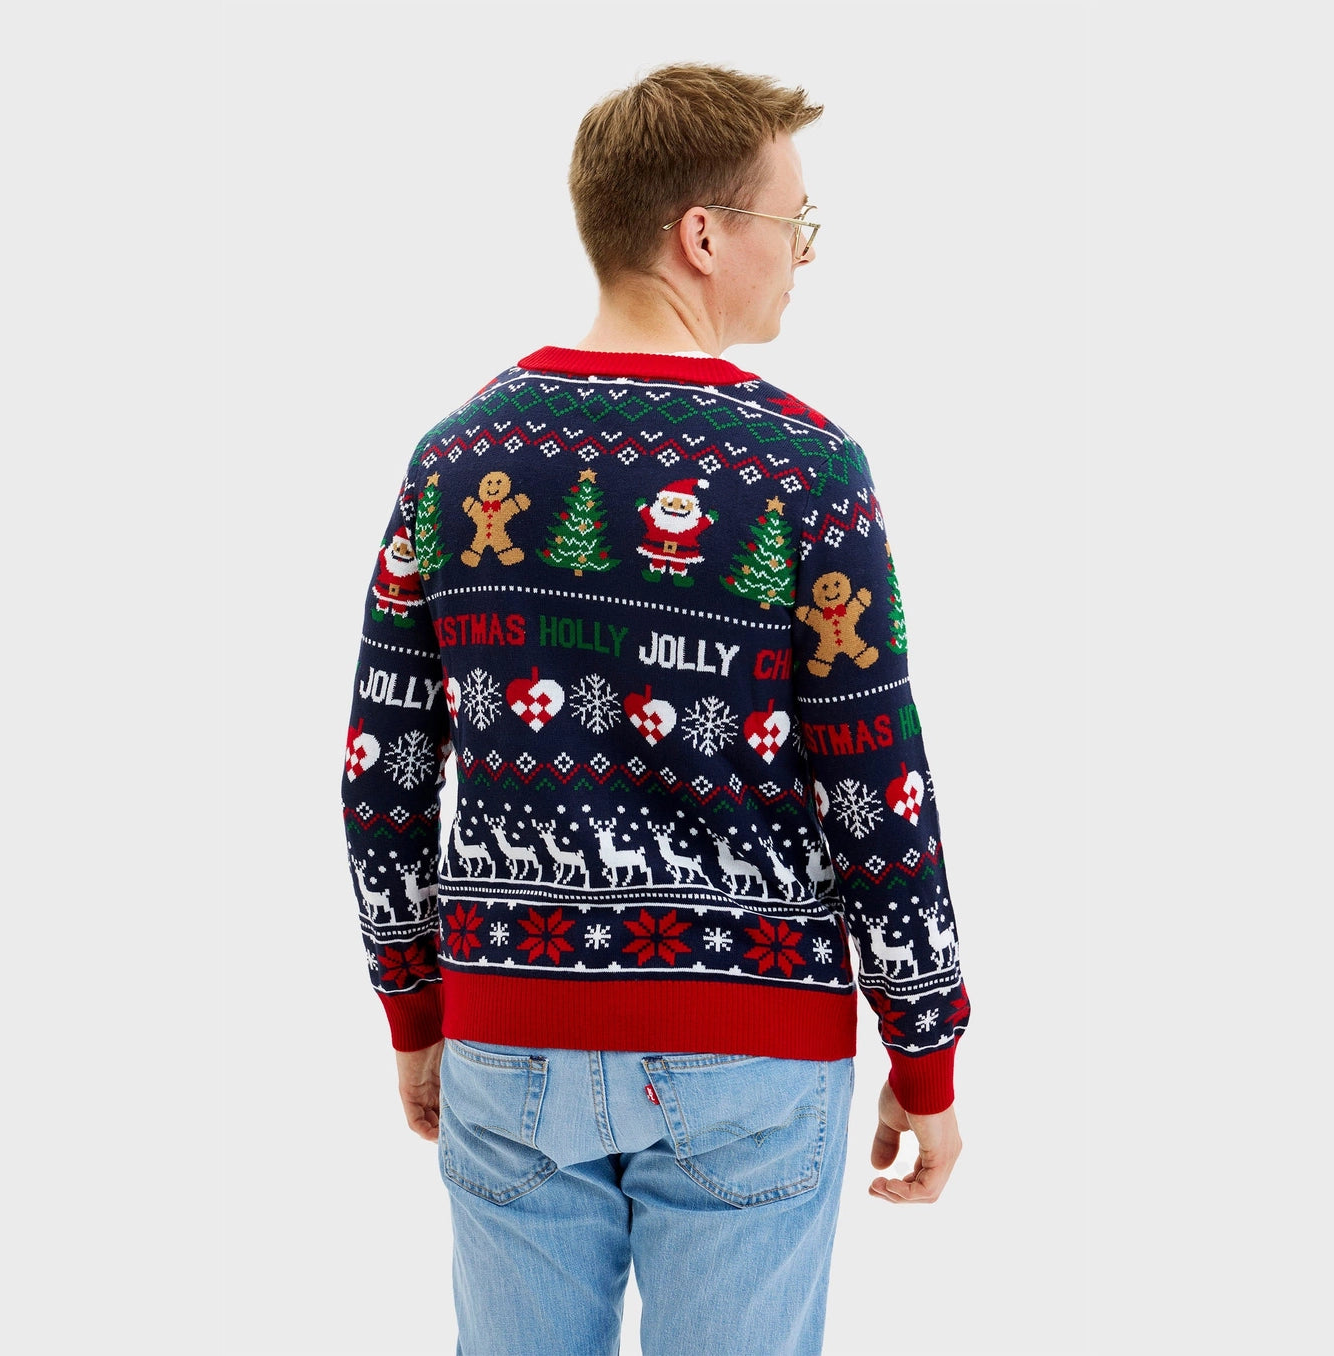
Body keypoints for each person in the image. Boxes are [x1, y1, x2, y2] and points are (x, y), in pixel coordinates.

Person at [341, 61, 969, 1356]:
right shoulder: (806, 469)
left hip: (510, 1028)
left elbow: (381, 767)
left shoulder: (456, 457)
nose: (804, 254)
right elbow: (876, 778)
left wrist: (417, 1006)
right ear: (703, 235)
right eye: (793, 222)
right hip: (753, 1045)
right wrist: (925, 1048)